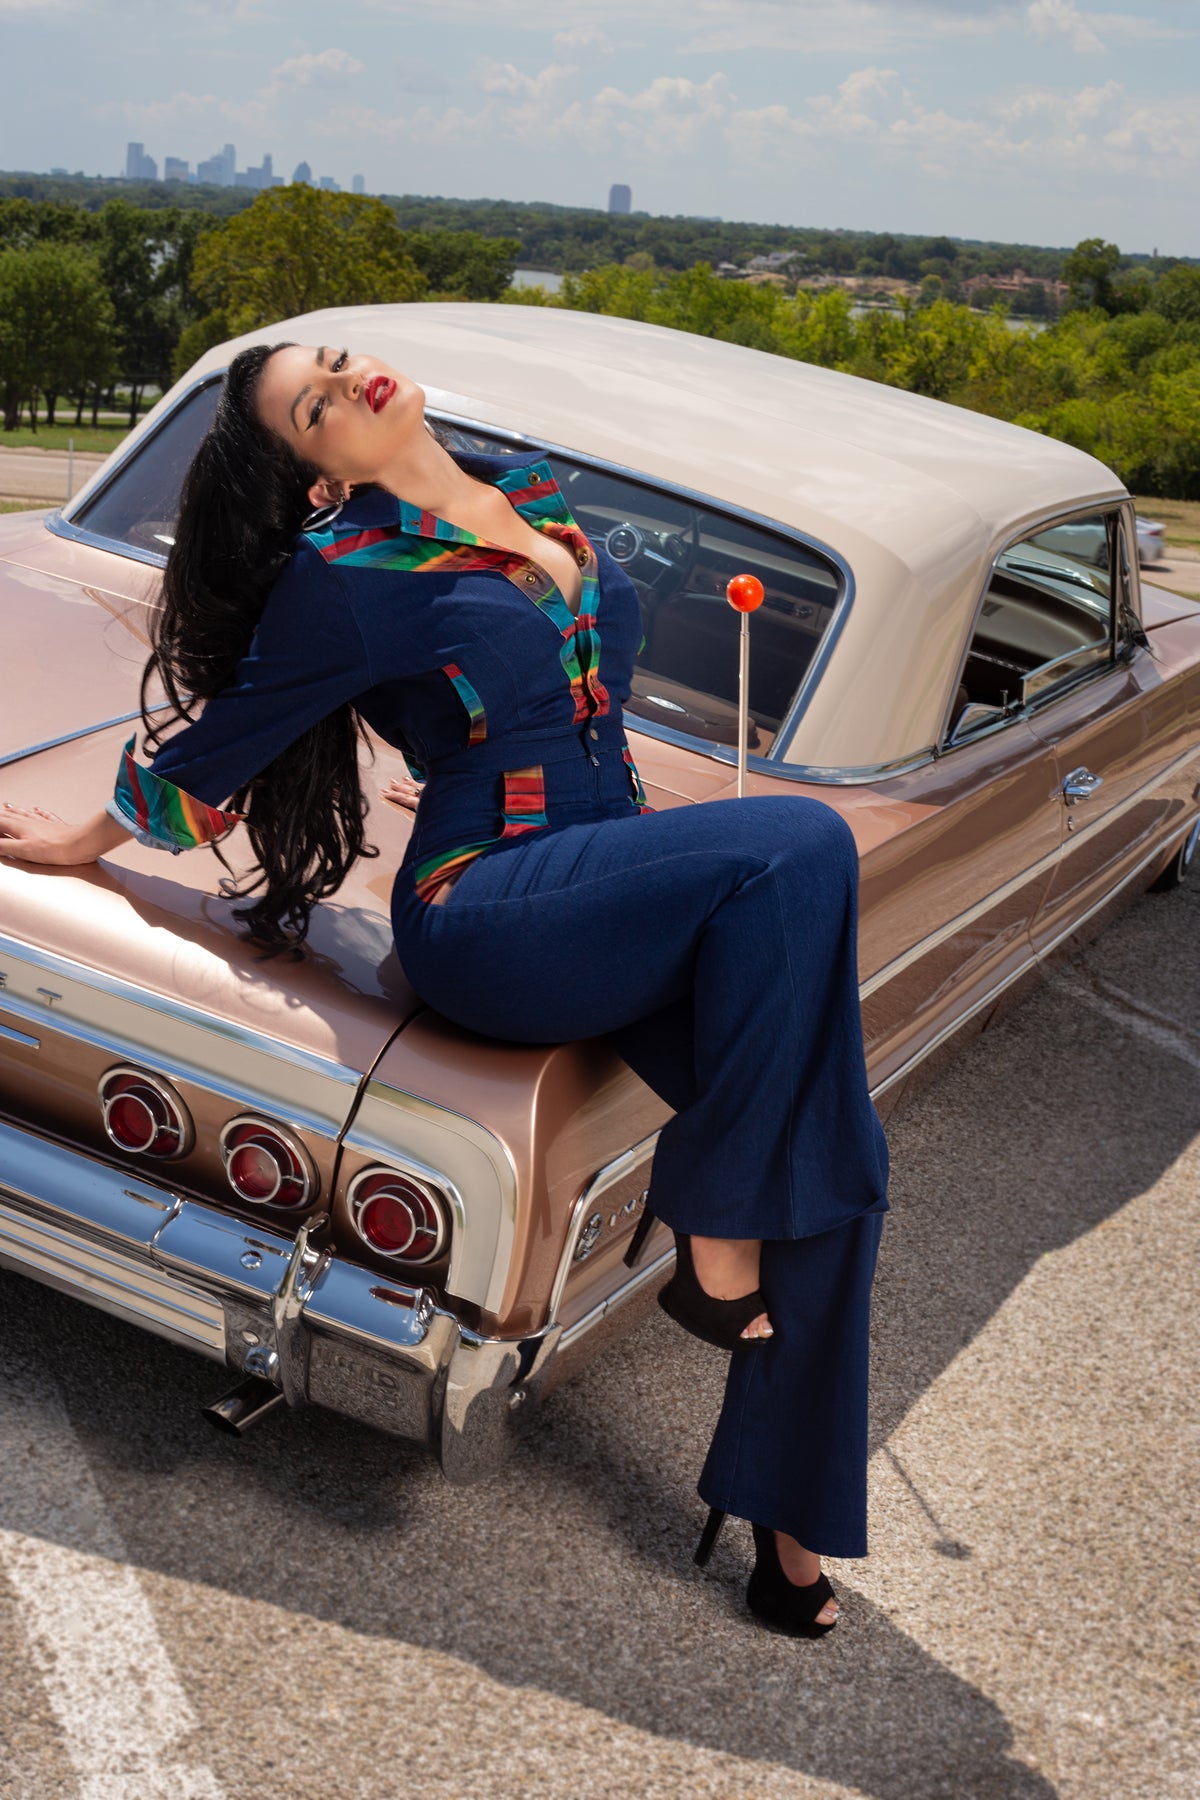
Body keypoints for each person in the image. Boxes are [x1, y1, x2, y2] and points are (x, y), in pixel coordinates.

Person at [0, 340, 889, 1637]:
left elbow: (585, 694)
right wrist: (87, 835)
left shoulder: (524, 488)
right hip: (491, 906)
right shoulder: (343, 573)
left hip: (607, 879)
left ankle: (785, 1529)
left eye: (336, 364)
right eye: (316, 406)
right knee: (804, 843)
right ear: (317, 478)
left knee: (836, 1151)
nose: (350, 381)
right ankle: (717, 1239)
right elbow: (229, 739)